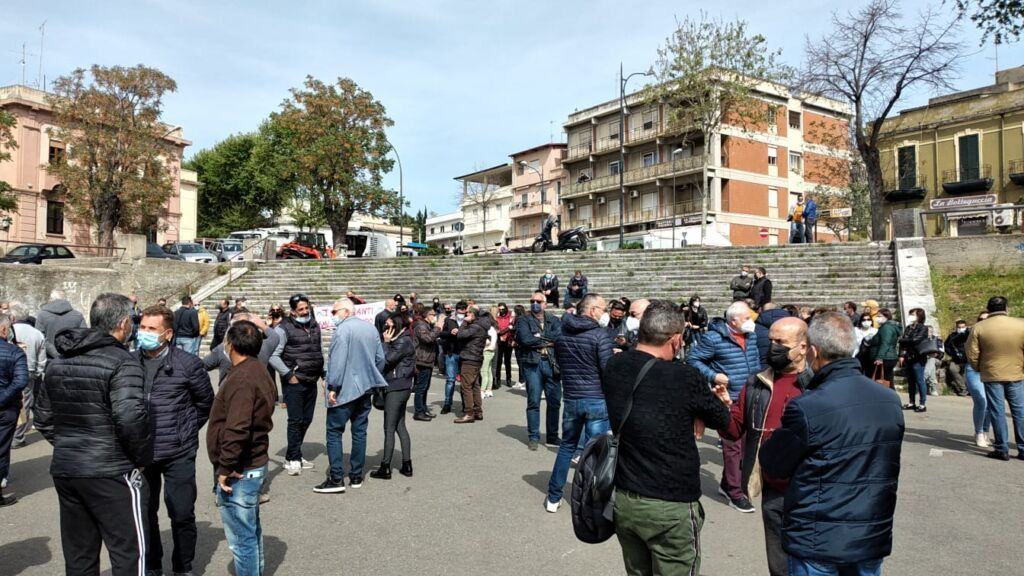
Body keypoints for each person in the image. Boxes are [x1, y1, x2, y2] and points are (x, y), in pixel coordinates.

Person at [760, 312, 905, 576]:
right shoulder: (889, 399)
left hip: (818, 538)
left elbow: (773, 462)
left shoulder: (808, 406)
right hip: (870, 532)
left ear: (813, 352)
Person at [603, 301, 732, 575]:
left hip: (625, 498)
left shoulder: (615, 365)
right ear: (676, 339)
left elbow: (651, 401)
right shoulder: (684, 376)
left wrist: (693, 410)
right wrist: (717, 403)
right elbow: (723, 421)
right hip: (670, 504)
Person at [34, 293, 152, 574]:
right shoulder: (123, 362)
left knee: (80, 554)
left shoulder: (59, 361)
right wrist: (140, 457)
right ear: (124, 323)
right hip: (110, 468)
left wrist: (69, 443)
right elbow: (130, 417)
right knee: (129, 554)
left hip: (69, 468)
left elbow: (43, 417)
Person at [719, 317, 811, 576]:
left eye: (781, 342)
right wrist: (722, 407)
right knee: (779, 566)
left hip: (810, 490)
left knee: (810, 565)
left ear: (803, 347)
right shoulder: (757, 383)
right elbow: (734, 429)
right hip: (772, 490)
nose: (773, 347)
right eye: (770, 341)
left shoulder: (818, 384)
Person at [137, 304, 214, 576]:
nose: (144, 333)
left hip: (178, 451)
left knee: (181, 513)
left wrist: (186, 429)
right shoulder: (128, 362)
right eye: (142, 327)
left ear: (167, 334)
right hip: (141, 453)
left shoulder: (188, 364)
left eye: (151, 329)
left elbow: (205, 402)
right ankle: (153, 564)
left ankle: (183, 567)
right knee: (145, 514)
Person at [207, 320, 276, 576]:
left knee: (241, 539)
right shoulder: (256, 369)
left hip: (241, 467)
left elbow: (238, 427)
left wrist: (226, 466)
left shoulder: (244, 377)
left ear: (230, 344)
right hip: (251, 462)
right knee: (249, 531)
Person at [686, 300, 761, 513]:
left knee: (747, 445)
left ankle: (728, 484)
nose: (751, 322)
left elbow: (755, 361)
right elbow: (693, 360)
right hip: (727, 399)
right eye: (747, 318)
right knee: (732, 446)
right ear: (734, 321)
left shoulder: (751, 335)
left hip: (750, 396)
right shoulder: (714, 338)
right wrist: (714, 375)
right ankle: (735, 492)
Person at [544, 293, 613, 513]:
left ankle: (553, 496)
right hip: (596, 399)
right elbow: (607, 369)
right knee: (594, 452)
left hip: (572, 397)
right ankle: (588, 500)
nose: (605, 313)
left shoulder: (562, 334)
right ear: (592, 310)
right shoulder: (599, 335)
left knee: (567, 447)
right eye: (602, 308)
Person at [316, 299, 388, 493]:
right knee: (359, 432)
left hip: (344, 390)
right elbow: (380, 359)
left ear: (346, 311)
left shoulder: (343, 331)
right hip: (365, 388)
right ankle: (356, 475)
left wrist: (333, 386)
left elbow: (337, 361)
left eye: (335, 311)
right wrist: (369, 376)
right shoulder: (371, 329)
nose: (332, 315)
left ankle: (336, 478)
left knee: (334, 432)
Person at [966, 296, 1024, 461]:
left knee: (997, 411)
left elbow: (972, 353)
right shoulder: (1020, 324)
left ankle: (1002, 448)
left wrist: (979, 368)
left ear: (988, 309)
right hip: (1016, 373)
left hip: (992, 374)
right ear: (1006, 307)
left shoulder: (979, 327)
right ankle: (1023, 448)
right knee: (1020, 411)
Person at [278, 294, 323, 477]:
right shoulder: (283, 328)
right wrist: (289, 374)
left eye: (307, 308)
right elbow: (274, 355)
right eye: (301, 309)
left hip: (311, 380)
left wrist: (323, 373)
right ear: (293, 312)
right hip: (295, 381)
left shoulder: (314, 325)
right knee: (295, 420)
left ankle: (293, 453)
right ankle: (293, 458)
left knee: (307, 419)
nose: (305, 311)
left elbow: (318, 350)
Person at [370, 313, 416, 480]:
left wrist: (385, 343)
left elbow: (386, 361)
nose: (386, 328)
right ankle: (407, 464)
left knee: (389, 428)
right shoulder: (403, 338)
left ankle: (385, 467)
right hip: (402, 386)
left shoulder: (402, 341)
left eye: (388, 325)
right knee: (399, 426)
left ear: (396, 325)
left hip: (396, 387)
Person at [515, 291, 562, 450]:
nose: (535, 303)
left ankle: (552, 436)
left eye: (538, 301)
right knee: (533, 401)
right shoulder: (523, 320)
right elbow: (525, 339)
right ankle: (533, 436)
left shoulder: (554, 319)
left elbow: (559, 337)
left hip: (552, 363)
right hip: (532, 364)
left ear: (545, 304)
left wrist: (539, 337)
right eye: (532, 301)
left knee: (554, 402)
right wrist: (547, 341)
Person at [0, 312, 28, 507]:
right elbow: (20, 381)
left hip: (6, 406)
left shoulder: (13, 352)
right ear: (4, 329)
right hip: (6, 408)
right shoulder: (14, 352)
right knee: (1, 449)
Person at [8, 303, 44, 449]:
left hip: (8, 369)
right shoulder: (37, 333)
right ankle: (18, 437)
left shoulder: (8, 330)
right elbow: (42, 359)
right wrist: (37, 372)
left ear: (13, 317)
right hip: (29, 371)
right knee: (24, 403)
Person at [453, 306, 490, 423]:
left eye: (468, 313)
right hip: (476, 357)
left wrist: (464, 323)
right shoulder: (481, 326)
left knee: (466, 386)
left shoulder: (475, 326)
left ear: (474, 315)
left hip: (470, 358)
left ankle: (469, 413)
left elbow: (461, 335)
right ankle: (478, 411)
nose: (466, 315)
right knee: (474, 385)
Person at [411, 303, 444, 421]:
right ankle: (418, 412)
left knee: (425, 387)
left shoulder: (426, 325)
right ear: (426, 315)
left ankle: (423, 409)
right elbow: (428, 338)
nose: (434, 317)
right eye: (432, 315)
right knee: (421, 387)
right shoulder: (421, 326)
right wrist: (438, 327)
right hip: (422, 360)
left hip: (427, 360)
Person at [966, 312, 992, 447]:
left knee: (991, 403)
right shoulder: (972, 333)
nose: (984, 321)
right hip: (974, 369)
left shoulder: (996, 334)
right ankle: (979, 432)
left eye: (987, 319)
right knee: (982, 400)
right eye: (981, 319)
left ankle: (985, 431)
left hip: (991, 369)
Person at [35, 289, 87, 358]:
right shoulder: (78, 315)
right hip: (73, 358)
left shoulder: (42, 315)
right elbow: (83, 336)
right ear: (65, 299)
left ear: (51, 299)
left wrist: (55, 353)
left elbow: (40, 338)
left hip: (50, 360)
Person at [438, 300, 467, 415]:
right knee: (450, 380)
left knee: (465, 381)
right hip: (452, 352)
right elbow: (442, 334)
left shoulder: (469, 320)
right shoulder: (449, 320)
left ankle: (466, 404)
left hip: (465, 353)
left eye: (463, 312)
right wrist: (451, 333)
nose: (461, 314)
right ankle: (447, 403)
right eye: (459, 312)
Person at [898, 307, 930, 413]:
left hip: (918, 357)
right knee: (911, 380)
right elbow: (902, 344)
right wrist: (901, 355)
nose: (911, 316)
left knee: (919, 380)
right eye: (910, 314)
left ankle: (922, 403)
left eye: (913, 314)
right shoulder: (908, 327)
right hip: (908, 356)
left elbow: (916, 340)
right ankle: (911, 402)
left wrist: (903, 340)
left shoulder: (923, 328)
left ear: (919, 316)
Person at [865, 308, 900, 385]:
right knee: (888, 381)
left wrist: (879, 357)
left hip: (885, 358)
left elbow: (885, 343)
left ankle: (888, 396)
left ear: (886, 317)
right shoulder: (886, 326)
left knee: (884, 381)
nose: (877, 318)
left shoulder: (886, 328)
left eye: (879, 316)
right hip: (887, 356)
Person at [754, 303, 791, 369]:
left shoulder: (754, 327)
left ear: (762, 310)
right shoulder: (791, 323)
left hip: (762, 368)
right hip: (786, 366)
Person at [944, 319, 970, 396]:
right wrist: (952, 353)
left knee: (966, 373)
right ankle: (963, 388)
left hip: (967, 359)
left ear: (966, 326)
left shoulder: (970, 334)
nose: (961, 328)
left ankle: (968, 388)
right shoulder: (952, 336)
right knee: (952, 369)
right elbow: (946, 345)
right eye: (959, 327)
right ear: (956, 327)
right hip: (956, 359)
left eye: (963, 327)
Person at [494, 303, 515, 390]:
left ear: (506, 309)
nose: (501, 311)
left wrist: (507, 336)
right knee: (498, 361)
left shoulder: (510, 317)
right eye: (500, 309)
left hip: (508, 341)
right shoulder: (497, 318)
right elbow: (497, 329)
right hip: (499, 340)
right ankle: (498, 379)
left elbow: (512, 328)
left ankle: (508, 379)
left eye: (503, 309)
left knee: (507, 361)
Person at [481, 307, 499, 398]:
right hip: (492, 350)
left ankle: (482, 390)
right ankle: (489, 389)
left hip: (487, 351)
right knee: (489, 371)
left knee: (484, 371)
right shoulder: (493, 328)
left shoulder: (488, 329)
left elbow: (487, 341)